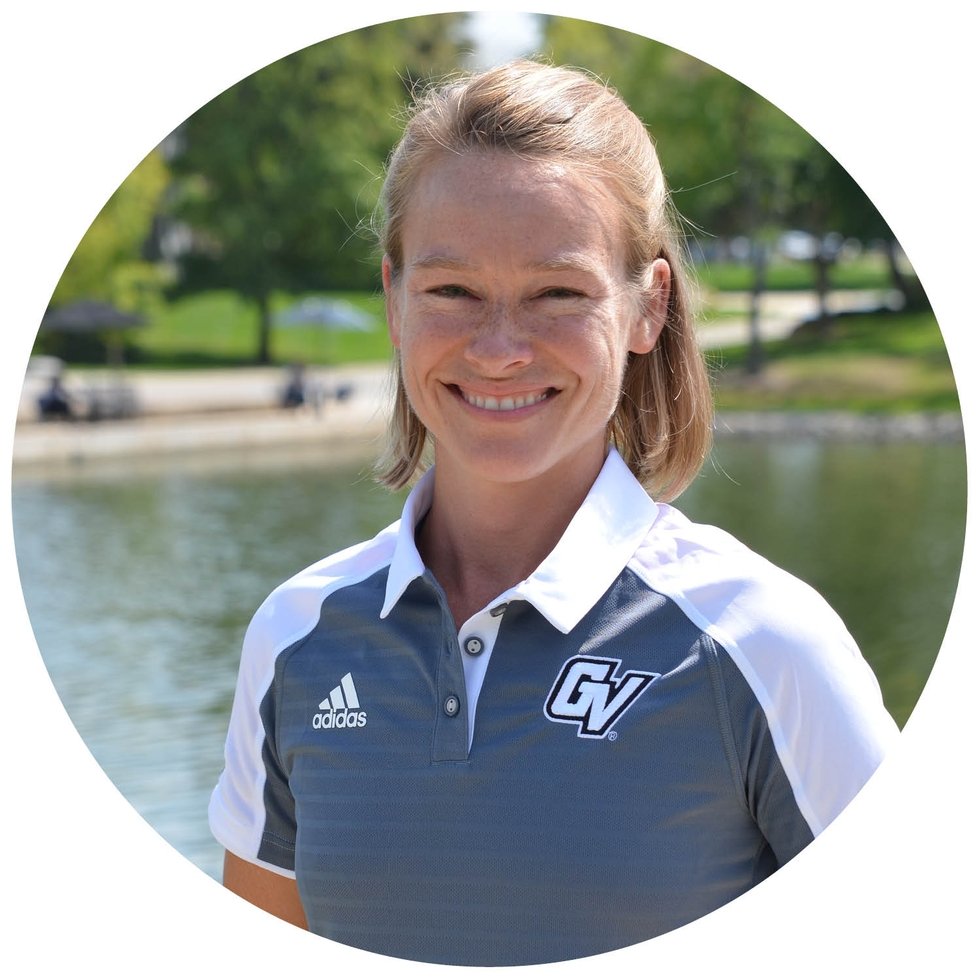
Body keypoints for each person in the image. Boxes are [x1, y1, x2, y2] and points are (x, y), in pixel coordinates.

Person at [208, 60, 899, 966]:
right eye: (451, 291)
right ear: (394, 302)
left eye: (557, 293)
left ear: (648, 306)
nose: (499, 348)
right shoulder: (295, 637)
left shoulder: (761, 642)